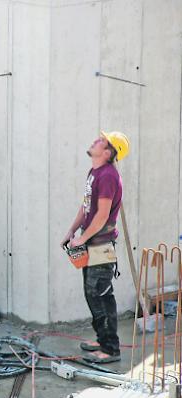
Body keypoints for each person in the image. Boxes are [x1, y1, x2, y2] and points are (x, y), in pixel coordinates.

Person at [60, 131, 130, 364]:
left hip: (101, 245)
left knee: (101, 294)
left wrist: (82, 239)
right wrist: (72, 231)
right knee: (91, 293)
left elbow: (101, 216)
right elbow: (86, 207)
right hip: (91, 242)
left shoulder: (108, 175)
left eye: (101, 140)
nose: (95, 140)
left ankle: (111, 349)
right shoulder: (95, 172)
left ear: (108, 151)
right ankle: (102, 339)